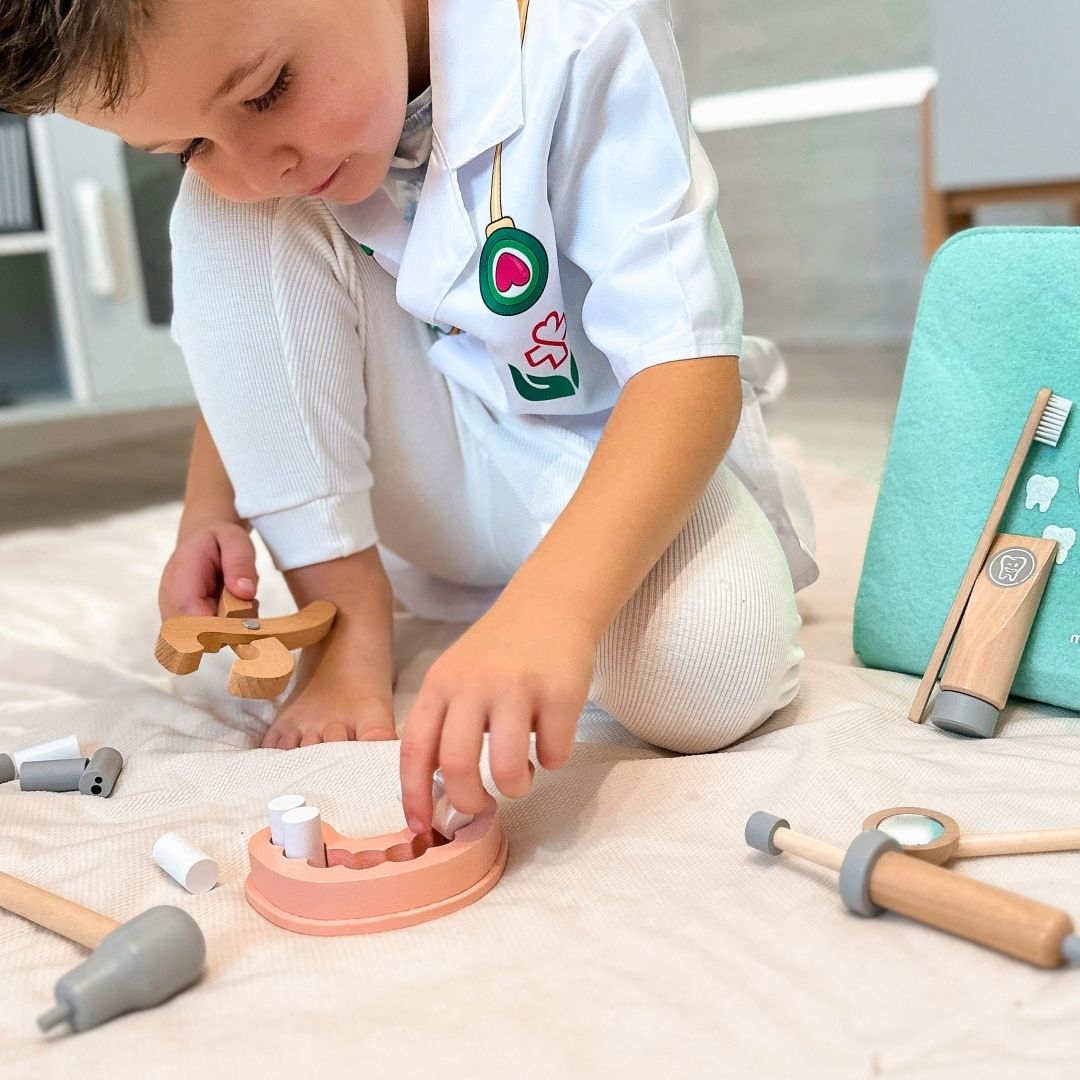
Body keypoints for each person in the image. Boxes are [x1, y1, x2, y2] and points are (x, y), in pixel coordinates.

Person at [1, 0, 816, 833]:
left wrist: (554, 611)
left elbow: (684, 370)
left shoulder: (583, 31)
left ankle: (578, 591)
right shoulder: (263, 158)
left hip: (616, 455)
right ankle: (347, 622)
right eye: (187, 148)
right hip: (434, 465)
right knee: (223, 214)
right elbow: (263, 329)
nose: (257, 165)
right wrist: (216, 500)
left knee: (710, 673)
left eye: (267, 91)